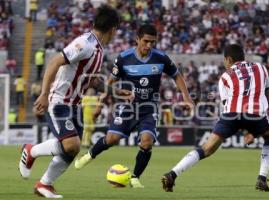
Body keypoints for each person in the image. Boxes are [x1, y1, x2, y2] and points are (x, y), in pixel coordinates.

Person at [18, 5, 133, 198]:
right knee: (71, 145)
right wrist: (45, 93)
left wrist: (116, 91)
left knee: (72, 149)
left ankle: (44, 185)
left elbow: (93, 81)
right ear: (113, 29)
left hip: (74, 105)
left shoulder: (97, 48)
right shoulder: (85, 43)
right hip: (59, 101)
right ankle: (31, 151)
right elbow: (55, 61)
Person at [74, 24, 194, 188]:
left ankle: (135, 177)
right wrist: (100, 104)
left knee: (147, 142)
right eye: (146, 41)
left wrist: (186, 98)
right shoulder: (124, 58)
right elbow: (110, 81)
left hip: (149, 107)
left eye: (153, 42)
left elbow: (177, 76)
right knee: (111, 139)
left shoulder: (161, 58)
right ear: (137, 39)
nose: (149, 45)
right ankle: (88, 155)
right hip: (129, 107)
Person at [161, 44, 269, 192]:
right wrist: (253, 131)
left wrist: (245, 128)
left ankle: (172, 174)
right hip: (256, 113)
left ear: (228, 59)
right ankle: (262, 178)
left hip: (231, 114)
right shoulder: (261, 68)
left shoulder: (225, 77)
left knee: (207, 148)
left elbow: (230, 108)